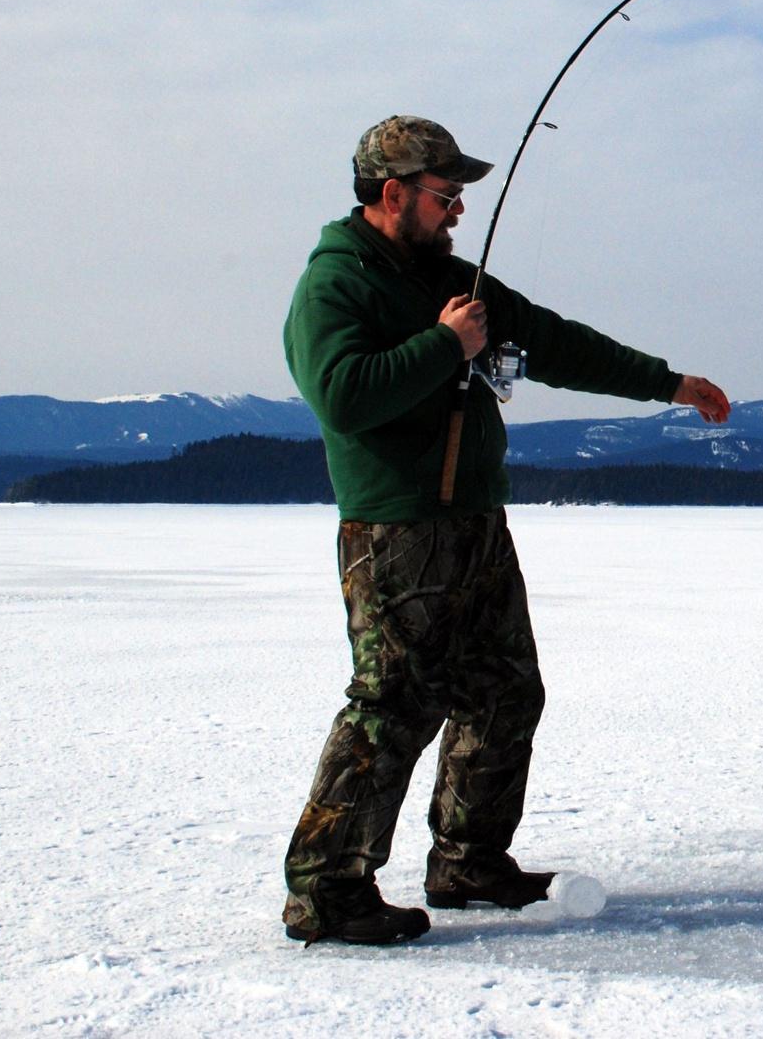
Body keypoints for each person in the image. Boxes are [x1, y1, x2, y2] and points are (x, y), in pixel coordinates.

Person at [279, 114, 729, 945]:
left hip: (476, 524)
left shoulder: (454, 275)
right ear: (393, 194)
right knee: (392, 707)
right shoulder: (335, 285)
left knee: (504, 690)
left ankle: (468, 860)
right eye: (445, 195)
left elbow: (552, 342)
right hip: (399, 532)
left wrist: (667, 383)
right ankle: (326, 890)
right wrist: (444, 345)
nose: (457, 211)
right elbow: (342, 395)